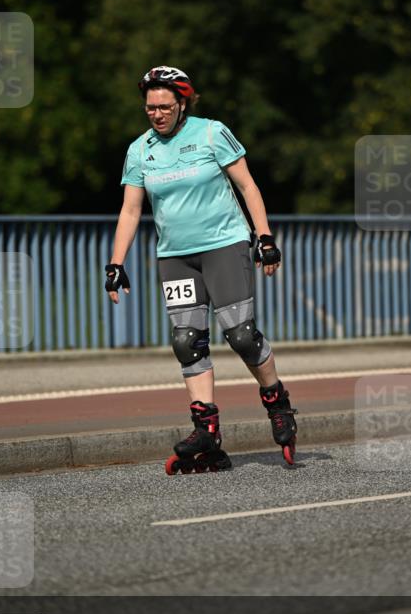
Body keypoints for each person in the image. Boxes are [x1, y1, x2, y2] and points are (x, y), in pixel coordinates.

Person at [105, 65, 298, 473]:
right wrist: (116, 262)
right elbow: (131, 210)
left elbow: (248, 186)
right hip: (175, 256)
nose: (156, 114)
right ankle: (206, 431)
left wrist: (265, 237)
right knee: (186, 341)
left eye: (164, 107)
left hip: (225, 245)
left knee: (241, 335)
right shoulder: (139, 150)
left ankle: (276, 401)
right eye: (150, 108)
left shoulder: (212, 133)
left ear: (182, 104)